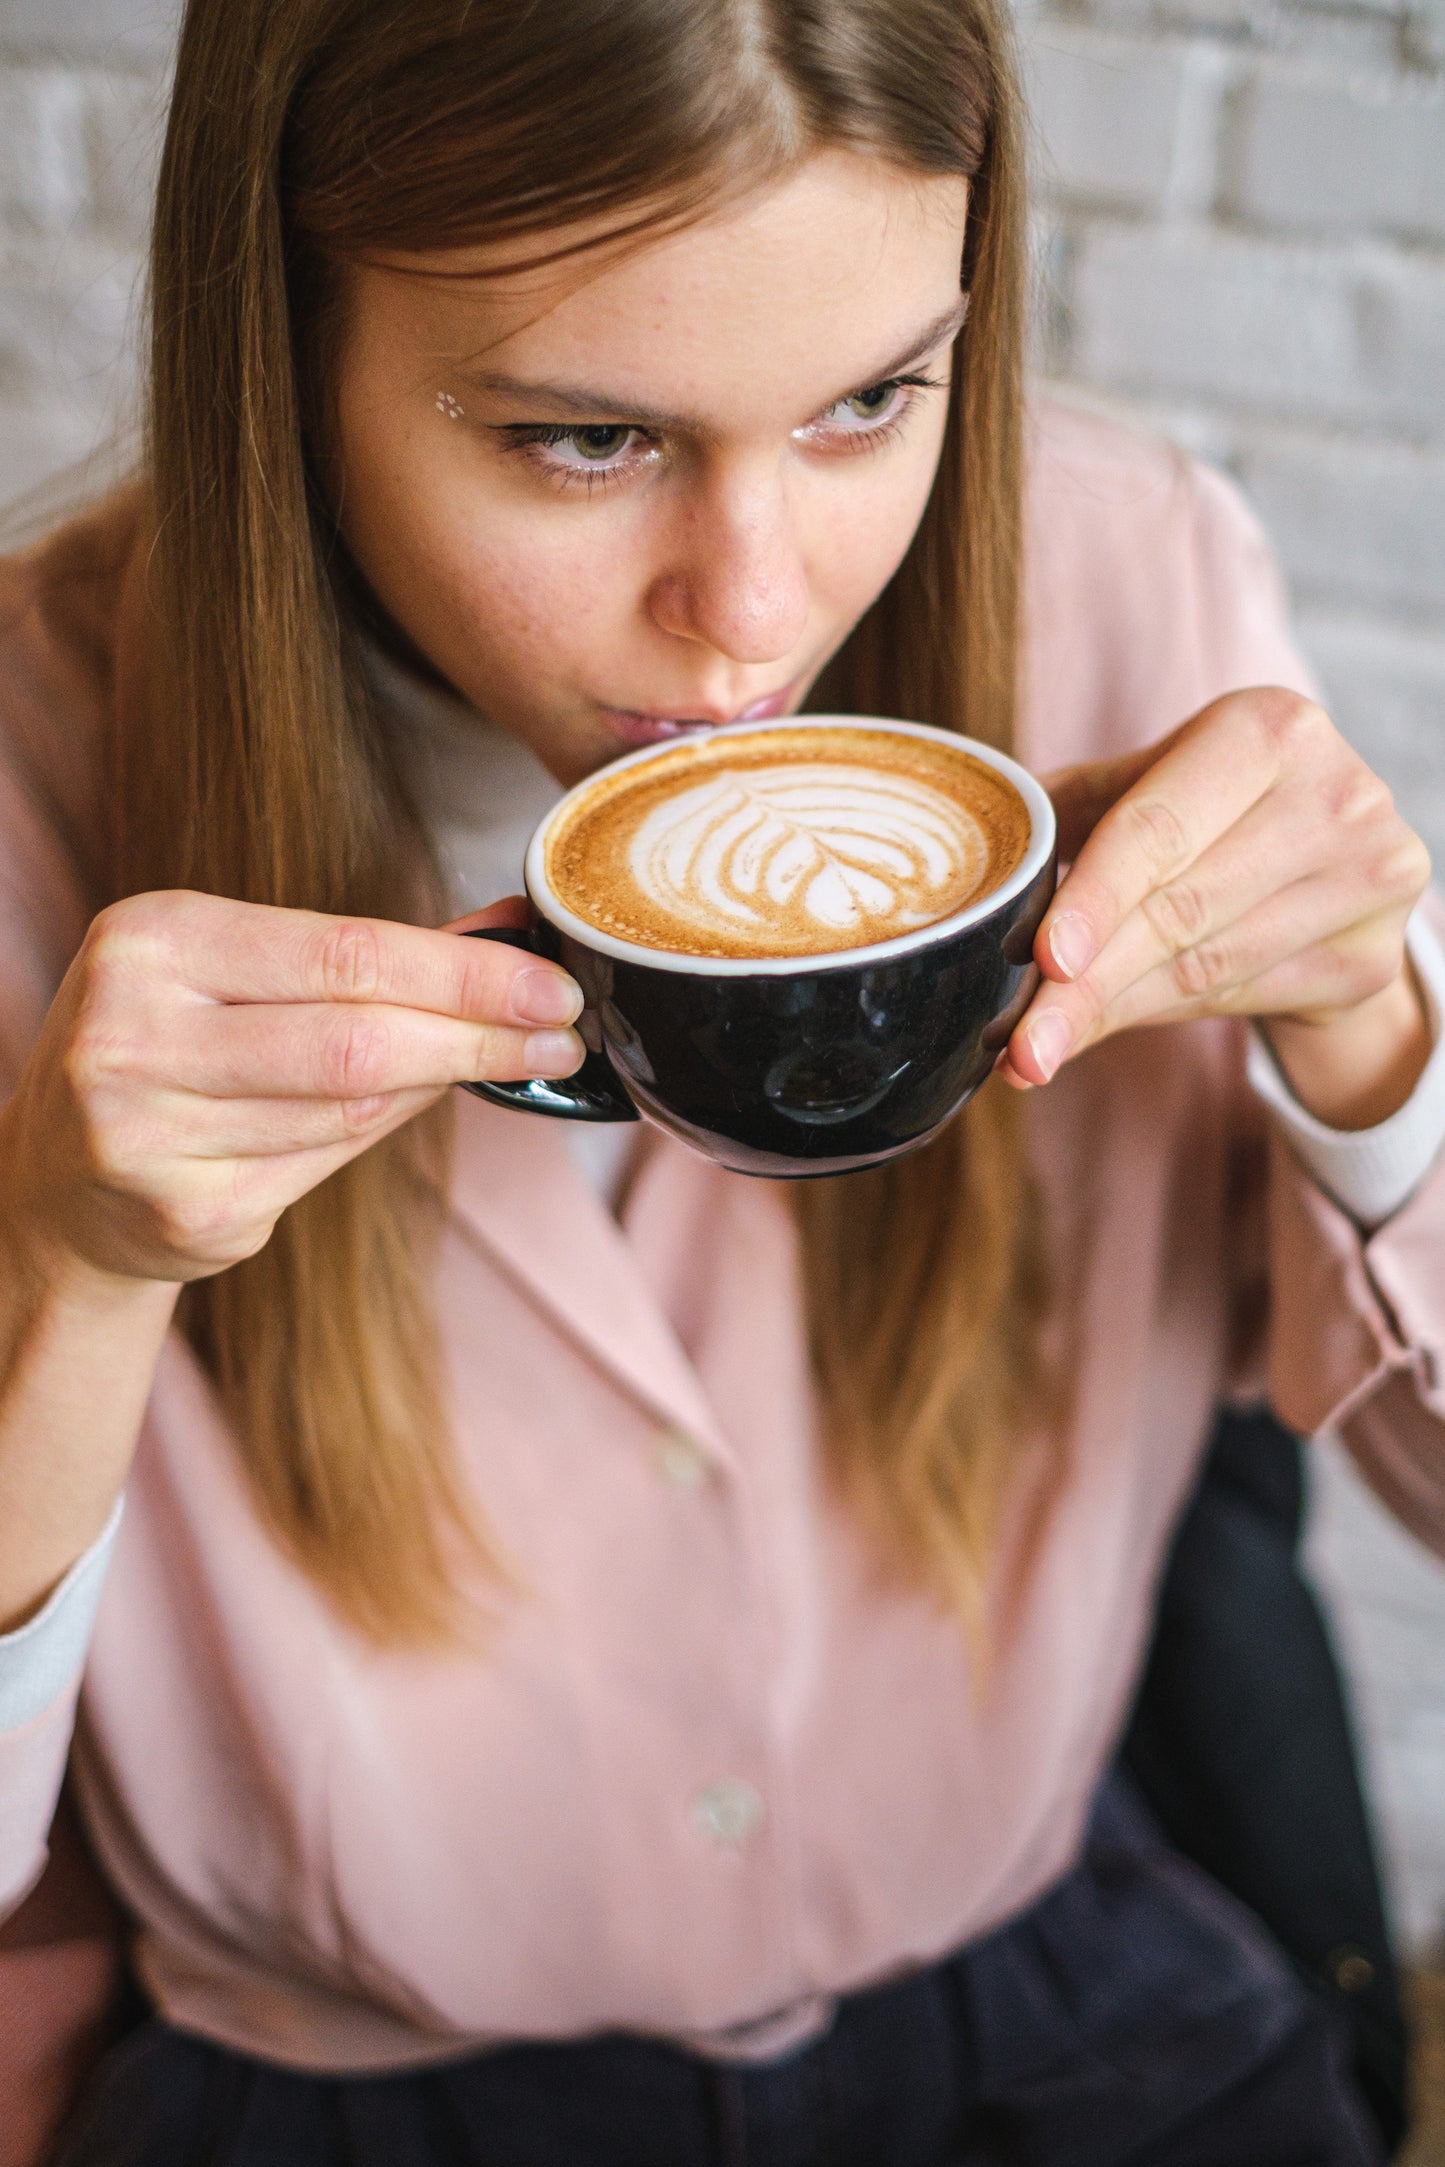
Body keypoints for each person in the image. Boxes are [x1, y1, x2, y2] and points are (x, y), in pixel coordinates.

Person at [0, 1, 1441, 2160]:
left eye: (873, 398)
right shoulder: (28, 773)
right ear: (281, 349)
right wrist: (67, 1278)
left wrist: (1379, 1058)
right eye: (586, 440)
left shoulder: (1132, 591)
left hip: (1061, 2022)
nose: (754, 622)